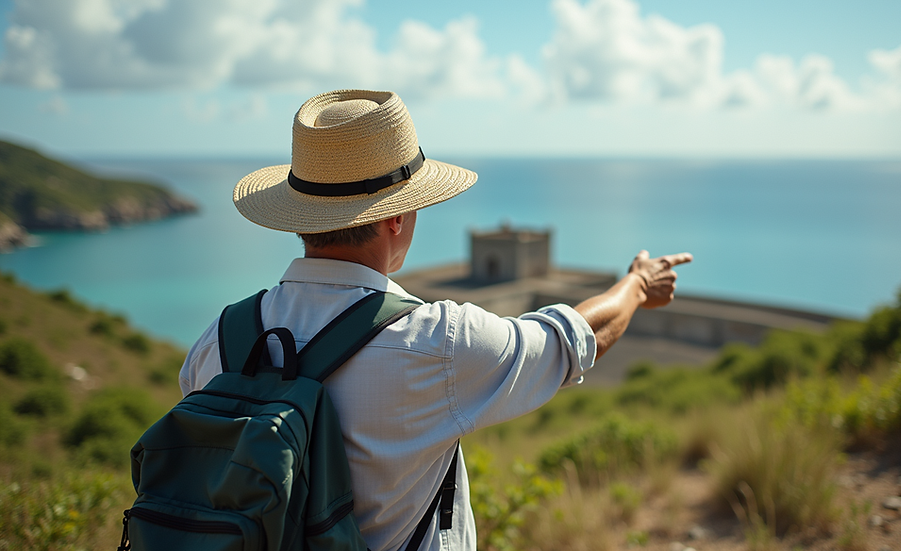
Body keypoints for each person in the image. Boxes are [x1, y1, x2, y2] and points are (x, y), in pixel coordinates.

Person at [179, 89, 692, 551]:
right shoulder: (438, 343)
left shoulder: (217, 342)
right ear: (396, 217)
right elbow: (575, 338)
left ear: (300, 215)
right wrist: (638, 284)